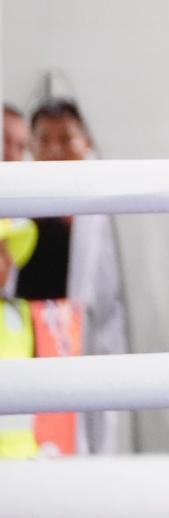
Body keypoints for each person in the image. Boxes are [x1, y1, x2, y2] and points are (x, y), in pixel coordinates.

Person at [10, 98, 128, 454]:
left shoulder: (101, 217)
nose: (55, 150)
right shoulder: (15, 211)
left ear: (87, 143)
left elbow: (109, 309)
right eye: (44, 140)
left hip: (80, 350)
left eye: (66, 138)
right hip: (26, 356)